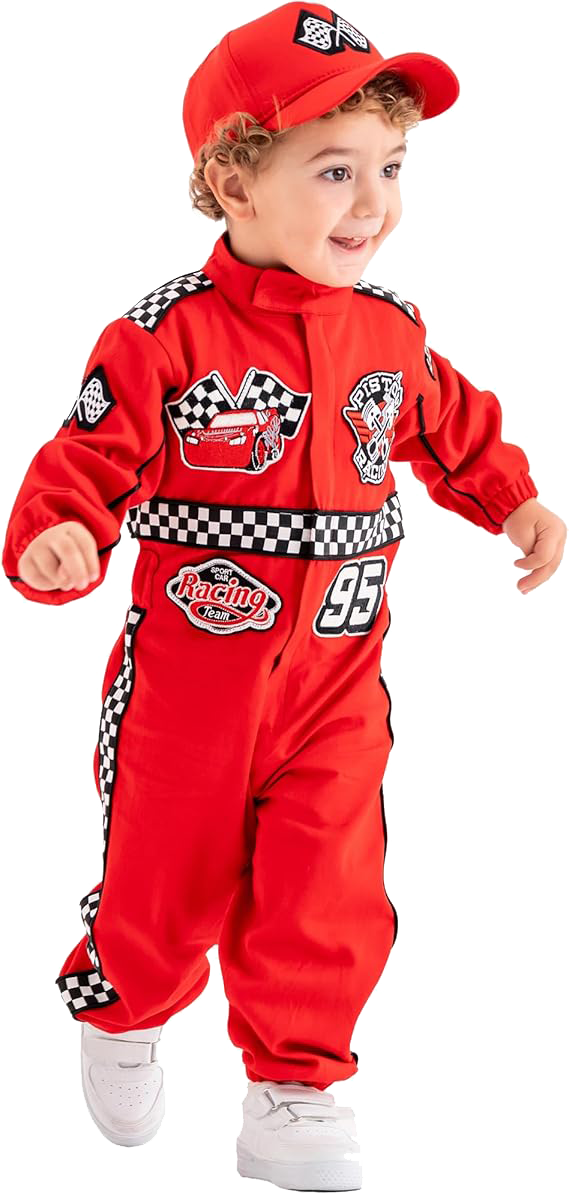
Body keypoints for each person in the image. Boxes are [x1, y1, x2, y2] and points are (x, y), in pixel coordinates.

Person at [2, 2, 566, 1188]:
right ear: (234, 183)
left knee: (328, 881)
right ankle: (125, 1008)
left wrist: (511, 499)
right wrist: (60, 534)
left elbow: (449, 426)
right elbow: (86, 458)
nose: (373, 204)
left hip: (335, 686)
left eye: (390, 169)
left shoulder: (388, 333)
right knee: (164, 873)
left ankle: (296, 1084)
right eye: (334, 170)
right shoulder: (164, 335)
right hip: (189, 687)